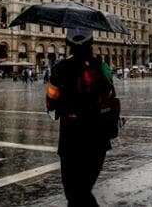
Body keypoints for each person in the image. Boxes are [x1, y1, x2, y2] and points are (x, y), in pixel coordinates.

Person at [46, 28, 116, 207]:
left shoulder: (60, 68)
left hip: (71, 137)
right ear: (91, 44)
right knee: (84, 189)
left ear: (68, 45)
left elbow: (51, 101)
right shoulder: (102, 66)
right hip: (98, 136)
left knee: (74, 191)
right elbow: (111, 94)